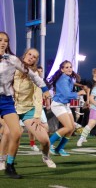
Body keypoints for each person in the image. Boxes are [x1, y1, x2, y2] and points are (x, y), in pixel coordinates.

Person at [0, 31, 50, 179]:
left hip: (6, 101)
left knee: (16, 132)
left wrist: (45, 88)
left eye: (5, 41)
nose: (3, 43)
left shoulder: (12, 60)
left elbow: (32, 74)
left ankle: (9, 165)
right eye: (0, 40)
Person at [13, 48, 56, 168]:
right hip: (12, 108)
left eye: (34, 57)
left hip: (28, 109)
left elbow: (38, 97)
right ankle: (4, 160)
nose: (31, 57)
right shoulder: (13, 68)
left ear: (36, 60)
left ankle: (46, 157)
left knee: (45, 140)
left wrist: (37, 116)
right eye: (30, 54)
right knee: (11, 135)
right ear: (25, 54)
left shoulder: (35, 75)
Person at [48, 60, 86, 156]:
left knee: (72, 127)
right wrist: (79, 93)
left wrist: (80, 85)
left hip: (65, 105)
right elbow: (67, 94)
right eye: (66, 67)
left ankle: (59, 149)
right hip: (58, 104)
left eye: (70, 67)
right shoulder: (63, 79)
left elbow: (71, 84)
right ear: (62, 69)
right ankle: (47, 144)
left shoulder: (67, 78)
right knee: (68, 127)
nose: (69, 69)